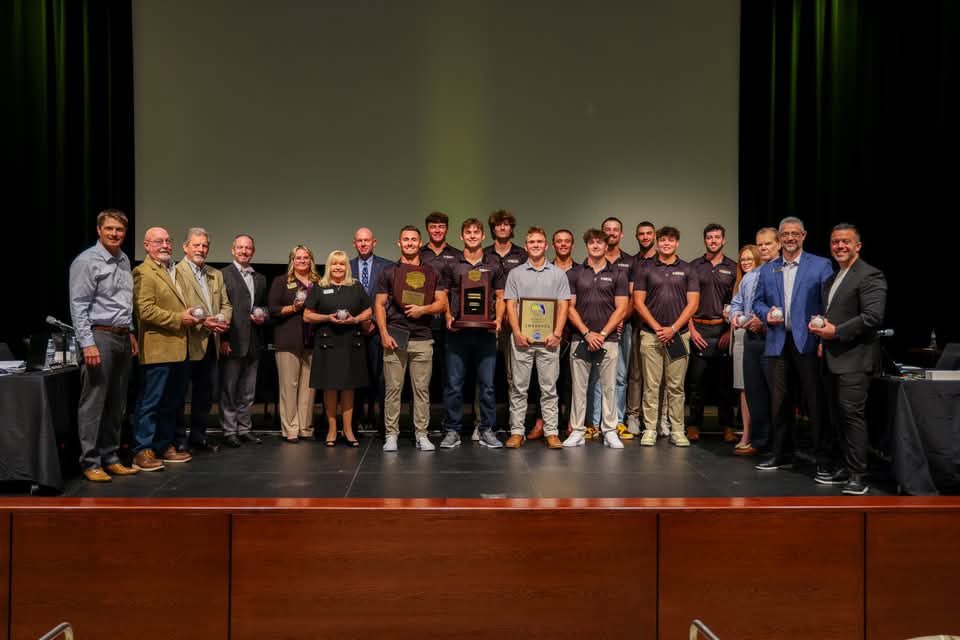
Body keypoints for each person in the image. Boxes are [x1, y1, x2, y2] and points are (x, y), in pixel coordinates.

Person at [753, 216, 835, 475]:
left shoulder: (821, 265)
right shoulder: (767, 269)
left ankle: (822, 457)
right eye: (785, 234)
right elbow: (757, 302)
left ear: (804, 235)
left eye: (795, 233)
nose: (790, 238)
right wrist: (766, 313)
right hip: (777, 342)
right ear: (779, 238)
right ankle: (781, 453)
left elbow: (830, 304)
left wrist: (822, 338)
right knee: (779, 402)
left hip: (809, 342)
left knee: (814, 401)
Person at [809, 224, 887, 495]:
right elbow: (835, 315)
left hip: (856, 360)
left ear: (858, 245)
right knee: (838, 417)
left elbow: (873, 317)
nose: (840, 246)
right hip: (832, 359)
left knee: (852, 416)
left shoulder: (870, 275)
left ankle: (858, 475)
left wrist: (835, 332)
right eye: (835, 242)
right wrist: (822, 331)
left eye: (845, 241)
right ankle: (845, 465)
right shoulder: (833, 278)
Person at [68, 209, 139, 481]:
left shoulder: (124, 259)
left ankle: (111, 457)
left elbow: (123, 302)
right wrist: (87, 344)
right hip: (99, 336)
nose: (114, 233)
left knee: (117, 403)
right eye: (109, 228)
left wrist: (130, 331)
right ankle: (90, 462)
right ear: (99, 230)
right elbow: (78, 306)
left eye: (119, 229)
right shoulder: (86, 261)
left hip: (121, 336)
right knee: (94, 402)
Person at [375, 226, 448, 452]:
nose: (409, 243)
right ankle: (391, 435)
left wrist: (423, 310)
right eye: (405, 239)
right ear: (399, 243)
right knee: (393, 390)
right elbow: (379, 305)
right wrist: (384, 333)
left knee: (422, 391)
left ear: (420, 243)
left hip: (422, 338)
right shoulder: (388, 271)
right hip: (395, 337)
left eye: (413, 239)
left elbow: (441, 303)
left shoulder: (432, 272)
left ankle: (422, 435)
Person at [131, 227, 199, 471]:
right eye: (159, 241)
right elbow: (145, 310)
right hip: (157, 348)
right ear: (146, 245)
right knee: (151, 402)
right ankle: (141, 450)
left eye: (168, 241)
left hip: (181, 348)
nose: (165, 245)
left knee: (172, 402)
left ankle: (163, 446)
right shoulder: (142, 272)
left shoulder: (176, 271)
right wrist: (179, 318)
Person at [439, 218, 506, 449]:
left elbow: (500, 296)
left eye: (476, 232)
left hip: (485, 333)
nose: (472, 236)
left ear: (483, 236)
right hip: (457, 332)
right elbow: (443, 295)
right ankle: (452, 430)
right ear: (462, 236)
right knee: (454, 384)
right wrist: (448, 316)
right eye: (468, 232)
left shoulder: (494, 264)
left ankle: (487, 430)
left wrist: (498, 319)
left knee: (487, 385)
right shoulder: (452, 264)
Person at [503, 226, 570, 449]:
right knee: (519, 388)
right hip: (522, 340)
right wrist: (516, 333)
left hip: (549, 341)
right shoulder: (515, 273)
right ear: (526, 246)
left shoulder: (558, 274)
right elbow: (511, 305)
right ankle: (516, 432)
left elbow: (563, 306)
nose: (536, 245)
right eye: (532, 242)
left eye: (539, 242)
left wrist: (557, 333)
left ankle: (551, 432)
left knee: (549, 389)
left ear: (546, 245)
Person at [633, 226, 700, 447]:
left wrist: (672, 328)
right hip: (650, 335)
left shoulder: (688, 269)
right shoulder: (645, 268)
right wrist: (658, 328)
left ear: (677, 243)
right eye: (662, 240)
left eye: (671, 240)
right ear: (657, 242)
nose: (666, 244)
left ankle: (677, 430)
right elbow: (638, 302)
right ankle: (650, 429)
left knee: (676, 387)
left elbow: (693, 304)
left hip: (678, 336)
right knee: (651, 386)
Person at [563, 229, 630, 449]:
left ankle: (610, 431)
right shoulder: (574, 273)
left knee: (609, 387)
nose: (595, 245)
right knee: (579, 388)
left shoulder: (618, 273)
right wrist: (586, 333)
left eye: (599, 242)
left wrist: (601, 334)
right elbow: (569, 307)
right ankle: (577, 431)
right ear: (587, 246)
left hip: (608, 340)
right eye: (591, 242)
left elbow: (621, 308)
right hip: (580, 338)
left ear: (606, 246)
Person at [303, 250, 373, 447]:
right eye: (334, 264)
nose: (338, 267)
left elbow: (369, 310)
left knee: (349, 388)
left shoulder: (355, 286)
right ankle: (332, 429)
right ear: (329, 266)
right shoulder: (320, 286)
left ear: (346, 267)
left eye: (341, 264)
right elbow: (307, 315)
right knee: (330, 387)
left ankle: (348, 430)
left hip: (351, 342)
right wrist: (327, 317)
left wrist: (356, 319)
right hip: (328, 343)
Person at [175, 228, 232, 451]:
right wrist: (202, 321)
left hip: (211, 342)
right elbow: (178, 308)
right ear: (185, 247)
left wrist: (221, 319)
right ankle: (179, 440)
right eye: (196, 245)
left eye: (204, 245)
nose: (201, 249)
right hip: (186, 342)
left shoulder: (215, 274)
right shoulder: (176, 272)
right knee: (180, 395)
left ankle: (199, 437)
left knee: (205, 395)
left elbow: (226, 304)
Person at [583, 217, 635, 440]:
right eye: (607, 230)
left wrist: (620, 318)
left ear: (621, 234)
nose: (611, 233)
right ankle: (594, 423)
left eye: (615, 230)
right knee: (595, 377)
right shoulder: (588, 264)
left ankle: (618, 421)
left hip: (622, 327)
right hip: (595, 330)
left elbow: (631, 297)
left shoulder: (630, 262)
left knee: (620, 376)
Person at [685, 224, 737, 442]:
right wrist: (691, 329)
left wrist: (729, 331)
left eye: (717, 237)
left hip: (723, 330)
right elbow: (685, 301)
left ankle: (728, 427)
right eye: (709, 237)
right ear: (705, 240)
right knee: (696, 383)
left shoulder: (733, 268)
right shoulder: (694, 267)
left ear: (723, 240)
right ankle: (693, 425)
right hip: (698, 329)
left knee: (725, 384)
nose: (713, 241)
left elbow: (738, 302)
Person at [268, 245, 321, 443]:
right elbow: (273, 309)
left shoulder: (319, 282)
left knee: (309, 387)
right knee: (289, 386)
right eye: (298, 258)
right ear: (292, 260)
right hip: (288, 340)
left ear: (311, 260)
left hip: (312, 340)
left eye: (306, 257)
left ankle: (305, 428)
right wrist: (293, 308)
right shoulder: (282, 281)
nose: (302, 261)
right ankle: (290, 428)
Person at [219, 234, 267, 448]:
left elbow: (263, 306)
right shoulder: (223, 275)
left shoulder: (260, 278)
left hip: (254, 341)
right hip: (233, 340)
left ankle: (245, 428)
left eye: (248, 248)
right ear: (233, 250)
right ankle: (229, 430)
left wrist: (263, 314)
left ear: (253, 252)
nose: (244, 251)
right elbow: (220, 307)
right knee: (229, 389)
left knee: (248, 391)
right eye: (240, 247)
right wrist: (223, 338)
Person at [484, 209, 528, 429]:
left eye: (506, 224)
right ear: (493, 228)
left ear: (512, 228)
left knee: (515, 377)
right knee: (486, 377)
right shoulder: (484, 254)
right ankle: (484, 425)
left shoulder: (522, 255)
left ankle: (515, 425)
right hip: (488, 323)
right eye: (498, 224)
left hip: (515, 324)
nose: (502, 227)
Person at [419, 211, 460, 432]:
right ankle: (421, 424)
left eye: (441, 226)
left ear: (446, 229)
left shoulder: (457, 255)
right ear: (427, 229)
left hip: (449, 323)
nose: (437, 230)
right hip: (423, 322)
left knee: (450, 377)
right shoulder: (418, 254)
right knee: (421, 378)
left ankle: (449, 423)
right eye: (433, 226)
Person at [350, 227, 391, 434]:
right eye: (360, 241)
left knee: (381, 379)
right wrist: (359, 321)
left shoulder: (387, 266)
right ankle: (354, 423)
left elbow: (391, 298)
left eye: (367, 240)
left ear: (374, 242)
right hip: (352, 330)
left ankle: (384, 425)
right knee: (355, 378)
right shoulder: (346, 267)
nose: (363, 244)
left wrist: (373, 320)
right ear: (354, 244)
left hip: (377, 330)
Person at [727, 244, 762, 455]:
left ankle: (759, 435)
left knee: (758, 388)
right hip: (741, 337)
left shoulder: (763, 277)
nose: (746, 262)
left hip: (761, 336)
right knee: (743, 387)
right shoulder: (743, 281)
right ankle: (747, 434)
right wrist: (734, 315)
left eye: (750, 258)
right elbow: (735, 306)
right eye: (743, 259)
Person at [625, 221, 658, 435]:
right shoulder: (632, 263)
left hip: (662, 327)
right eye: (641, 234)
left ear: (654, 236)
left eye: (649, 233)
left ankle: (657, 418)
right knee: (635, 374)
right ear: (637, 236)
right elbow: (631, 297)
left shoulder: (663, 260)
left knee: (658, 377)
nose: (645, 237)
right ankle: (634, 416)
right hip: (638, 325)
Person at [552, 229, 578, 434]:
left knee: (571, 381)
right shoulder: (545, 269)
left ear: (572, 245)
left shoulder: (580, 271)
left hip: (574, 331)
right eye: (559, 241)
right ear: (553, 245)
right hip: (547, 332)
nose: (563, 244)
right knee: (546, 381)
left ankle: (571, 422)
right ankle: (543, 422)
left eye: (566, 241)